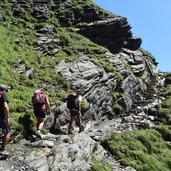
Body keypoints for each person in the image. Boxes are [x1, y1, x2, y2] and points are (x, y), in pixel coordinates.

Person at [0, 84, 11, 155]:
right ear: (3, 90)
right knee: (8, 131)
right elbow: (5, 106)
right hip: (2, 117)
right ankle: (2, 149)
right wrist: (7, 117)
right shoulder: (3, 95)